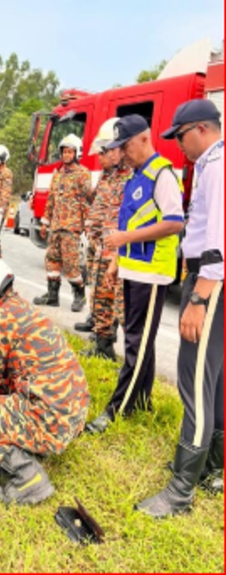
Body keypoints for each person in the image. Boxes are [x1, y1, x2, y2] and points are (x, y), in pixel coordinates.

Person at [136, 99, 223, 517]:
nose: (179, 147)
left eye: (181, 137)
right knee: (215, 380)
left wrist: (200, 297)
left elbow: (219, 237)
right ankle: (214, 469)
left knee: (195, 382)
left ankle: (181, 492)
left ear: (201, 129)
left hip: (212, 284)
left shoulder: (218, 164)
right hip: (213, 283)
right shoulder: (211, 163)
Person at [0, 255, 89, 504]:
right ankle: (29, 446)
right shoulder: (21, 308)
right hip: (72, 414)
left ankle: (26, 475)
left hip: (49, 422)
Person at [86, 115, 185, 434]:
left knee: (135, 343)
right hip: (135, 270)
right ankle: (141, 401)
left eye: (125, 146)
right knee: (142, 342)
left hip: (153, 273)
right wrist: (117, 262)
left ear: (144, 138)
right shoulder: (135, 176)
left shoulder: (162, 174)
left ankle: (116, 410)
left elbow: (174, 222)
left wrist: (123, 241)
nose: (122, 153)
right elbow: (133, 223)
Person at [75, 119, 133, 361]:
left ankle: (132, 361)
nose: (101, 157)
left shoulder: (130, 177)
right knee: (99, 297)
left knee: (120, 304)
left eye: (105, 151)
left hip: (118, 250)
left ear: (119, 150)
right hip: (99, 247)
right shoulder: (107, 177)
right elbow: (98, 204)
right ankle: (103, 346)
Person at [33, 134, 93, 312]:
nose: (66, 155)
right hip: (56, 225)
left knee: (71, 263)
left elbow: (87, 201)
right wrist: (45, 222)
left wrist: (88, 225)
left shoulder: (83, 174)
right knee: (51, 259)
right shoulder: (57, 174)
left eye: (70, 152)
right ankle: (52, 296)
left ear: (76, 153)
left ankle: (79, 296)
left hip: (71, 227)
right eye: (64, 152)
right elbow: (51, 199)